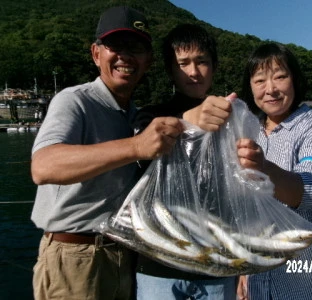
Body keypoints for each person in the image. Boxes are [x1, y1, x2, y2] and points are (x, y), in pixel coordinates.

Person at [30, 6, 184, 300]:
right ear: (96, 53)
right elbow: (43, 166)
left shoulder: (136, 116)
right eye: (116, 46)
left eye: (136, 48)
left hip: (125, 256)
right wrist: (136, 147)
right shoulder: (74, 101)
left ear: (148, 61)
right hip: (76, 258)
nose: (125, 56)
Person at [235, 42, 312, 299]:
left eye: (280, 77)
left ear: (295, 80)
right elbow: (247, 213)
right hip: (261, 280)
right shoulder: (249, 131)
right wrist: (243, 271)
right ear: (250, 87)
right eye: (259, 80)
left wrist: (264, 168)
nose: (270, 89)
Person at [132, 23, 236, 300]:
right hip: (158, 265)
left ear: (213, 66)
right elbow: (142, 152)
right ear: (171, 70)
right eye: (183, 63)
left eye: (202, 61)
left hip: (218, 263)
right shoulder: (150, 115)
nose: (193, 72)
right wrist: (189, 121)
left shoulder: (230, 118)